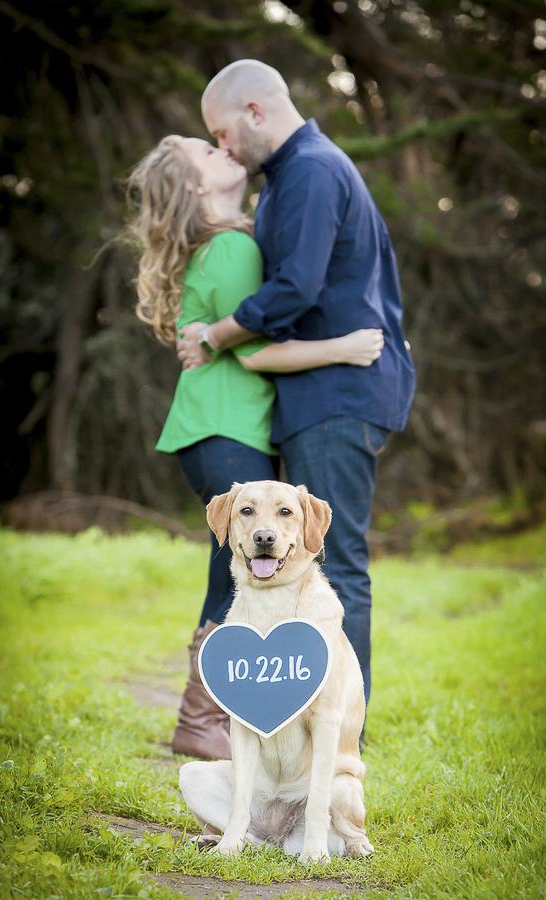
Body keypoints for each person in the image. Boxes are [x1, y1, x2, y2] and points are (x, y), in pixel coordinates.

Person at [127, 134, 383, 761]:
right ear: (195, 187)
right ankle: (202, 720)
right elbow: (257, 347)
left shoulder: (223, 245)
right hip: (224, 425)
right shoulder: (235, 246)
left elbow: (226, 339)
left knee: (231, 567)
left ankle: (206, 716)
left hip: (217, 425)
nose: (226, 153)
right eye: (207, 153)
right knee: (235, 569)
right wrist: (342, 348)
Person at [176, 60, 417, 720]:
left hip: (340, 394)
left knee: (333, 565)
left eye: (222, 133)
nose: (223, 148)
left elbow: (295, 289)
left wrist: (217, 333)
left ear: (255, 112)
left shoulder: (310, 168)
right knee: (313, 564)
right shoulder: (285, 180)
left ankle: (341, 738)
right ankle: (284, 721)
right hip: (317, 393)